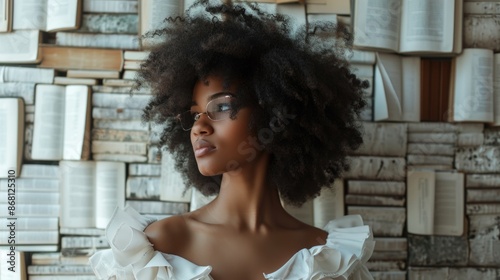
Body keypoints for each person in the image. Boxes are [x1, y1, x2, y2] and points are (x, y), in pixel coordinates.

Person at [90, 0, 374, 279]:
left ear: (273, 111)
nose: (199, 127)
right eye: (192, 115)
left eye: (222, 106)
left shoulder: (329, 259)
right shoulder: (156, 249)